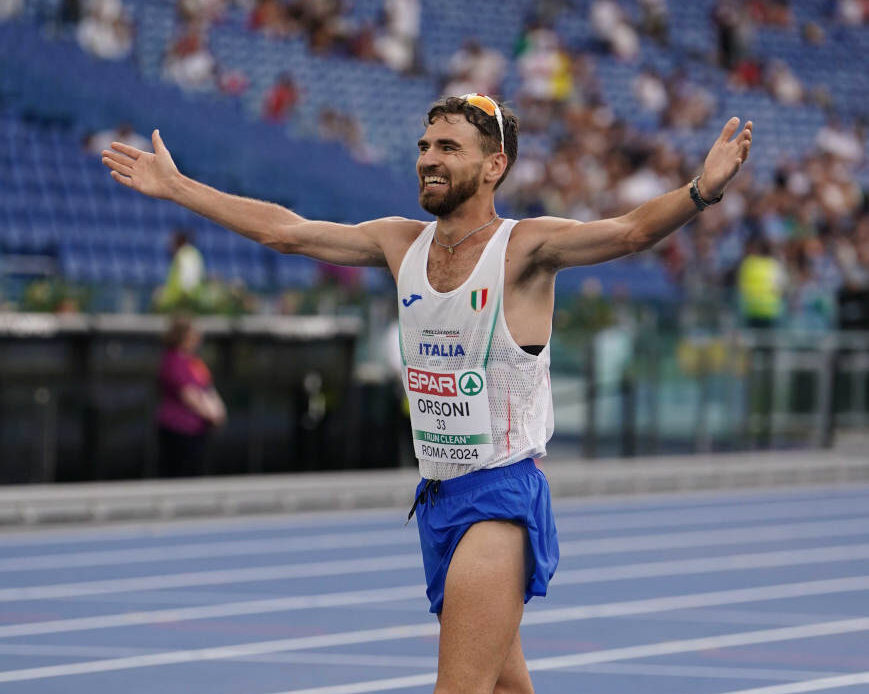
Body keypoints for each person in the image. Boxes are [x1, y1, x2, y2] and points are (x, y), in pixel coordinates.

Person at [101, 94, 752, 693]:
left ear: (493, 165)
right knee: (505, 686)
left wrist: (699, 191)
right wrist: (179, 188)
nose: (427, 160)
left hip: (497, 494)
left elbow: (630, 231)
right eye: (422, 147)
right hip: (437, 496)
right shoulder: (397, 242)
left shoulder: (525, 247)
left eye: (446, 148)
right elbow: (286, 231)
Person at [156, 315, 226, 477]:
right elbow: (188, 393)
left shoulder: (194, 362)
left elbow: (207, 387)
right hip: (178, 429)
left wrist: (219, 410)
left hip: (198, 430)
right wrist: (211, 413)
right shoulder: (173, 361)